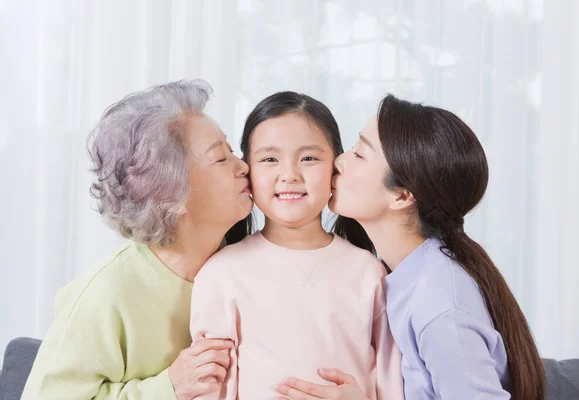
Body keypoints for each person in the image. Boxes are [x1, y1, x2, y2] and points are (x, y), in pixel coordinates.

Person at [276, 94, 546, 400]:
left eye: (359, 154)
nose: (339, 160)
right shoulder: (407, 274)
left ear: (402, 196)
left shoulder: (439, 302)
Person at [22, 80, 253, 400]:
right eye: (220, 158)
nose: (243, 166)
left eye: (231, 150)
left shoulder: (247, 266)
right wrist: (168, 387)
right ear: (171, 193)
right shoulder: (105, 295)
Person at [189, 92, 404, 399]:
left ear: (336, 166)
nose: (289, 175)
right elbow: (210, 390)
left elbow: (393, 384)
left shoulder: (369, 272)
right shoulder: (221, 274)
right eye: (269, 159)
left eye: (309, 158)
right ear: (247, 169)